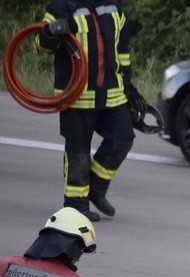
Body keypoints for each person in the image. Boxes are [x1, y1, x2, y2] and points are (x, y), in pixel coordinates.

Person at [37, 0, 136, 221]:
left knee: (123, 138)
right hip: (77, 96)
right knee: (78, 152)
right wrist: (53, 31)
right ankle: (75, 205)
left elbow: (122, 47)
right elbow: (41, 44)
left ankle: (96, 188)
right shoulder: (61, 7)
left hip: (112, 93)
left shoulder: (112, 5)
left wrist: (127, 82)